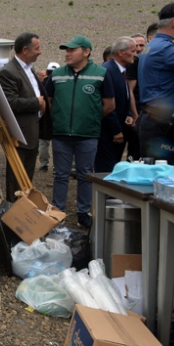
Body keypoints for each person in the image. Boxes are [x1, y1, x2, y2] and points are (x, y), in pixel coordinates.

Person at [45, 35, 115, 230]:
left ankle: (83, 213)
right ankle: (57, 213)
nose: (67, 54)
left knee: (85, 174)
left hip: (87, 135)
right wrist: (61, 118)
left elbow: (109, 105)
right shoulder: (57, 74)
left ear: (86, 52)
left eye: (72, 50)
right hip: (61, 135)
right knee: (60, 174)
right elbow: (49, 101)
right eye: (66, 50)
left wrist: (89, 119)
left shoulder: (100, 73)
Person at [0, 32, 48, 202]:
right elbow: (9, 103)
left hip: (31, 135)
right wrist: (37, 102)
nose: (40, 52)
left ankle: (25, 217)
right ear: (25, 50)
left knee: (27, 184)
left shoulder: (29, 70)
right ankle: (14, 219)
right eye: (37, 48)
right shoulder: (8, 72)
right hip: (19, 136)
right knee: (17, 185)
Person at [137, 2, 174, 165]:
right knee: (168, 177)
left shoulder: (155, 45)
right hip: (164, 126)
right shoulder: (169, 50)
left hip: (153, 120)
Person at [96, 37, 137, 172]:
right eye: (133, 51)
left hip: (118, 129)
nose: (136, 55)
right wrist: (116, 130)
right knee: (106, 169)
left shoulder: (121, 71)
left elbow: (123, 97)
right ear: (121, 52)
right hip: (108, 133)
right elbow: (108, 104)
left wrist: (129, 114)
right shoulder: (108, 70)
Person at [38, 62, 59, 172]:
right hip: (58, 117)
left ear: (46, 72)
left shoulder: (42, 84)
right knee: (59, 143)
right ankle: (57, 166)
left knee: (44, 142)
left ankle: (44, 164)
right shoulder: (61, 83)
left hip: (44, 117)